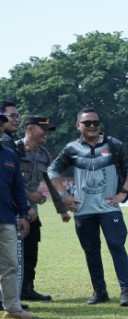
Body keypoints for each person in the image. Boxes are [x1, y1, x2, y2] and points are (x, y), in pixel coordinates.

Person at [48, 108, 128, 307]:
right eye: (87, 122)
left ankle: (126, 291)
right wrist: (64, 195)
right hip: (83, 209)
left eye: (95, 122)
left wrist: (123, 192)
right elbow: (52, 169)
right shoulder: (72, 148)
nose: (92, 126)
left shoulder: (113, 144)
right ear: (78, 126)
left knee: (117, 247)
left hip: (109, 208)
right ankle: (100, 291)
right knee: (91, 251)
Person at [18, 115, 71, 301]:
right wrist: (27, 196)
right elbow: (8, 180)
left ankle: (26, 289)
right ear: (30, 129)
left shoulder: (44, 155)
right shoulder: (13, 149)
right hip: (12, 208)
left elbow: (51, 182)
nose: (46, 134)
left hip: (33, 212)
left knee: (31, 252)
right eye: (43, 129)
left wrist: (62, 209)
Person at [0, 114, 37, 319]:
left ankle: (12, 308)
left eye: (0, 124)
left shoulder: (10, 155)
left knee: (10, 265)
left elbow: (18, 189)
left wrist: (23, 214)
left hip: (6, 219)